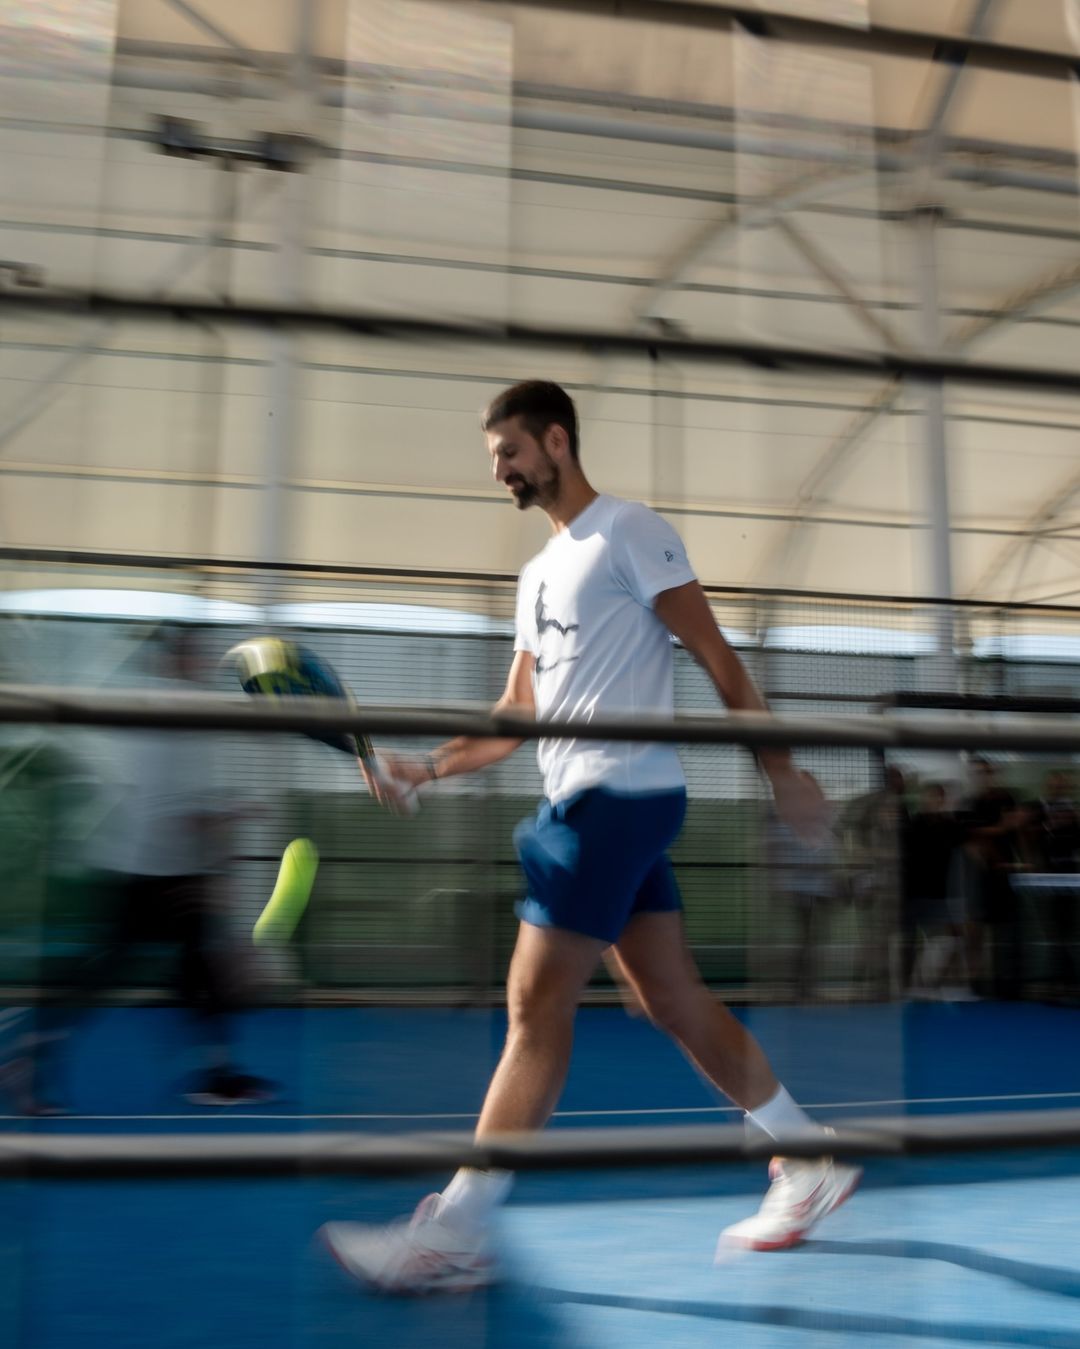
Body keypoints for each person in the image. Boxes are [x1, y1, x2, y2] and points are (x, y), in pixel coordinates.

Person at [320, 381, 860, 1293]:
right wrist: (426, 765)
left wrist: (781, 773)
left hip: (616, 801)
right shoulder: (537, 574)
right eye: (495, 458)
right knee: (671, 1000)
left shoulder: (630, 531)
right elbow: (516, 714)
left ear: (556, 441)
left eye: (509, 454)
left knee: (534, 1011)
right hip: (595, 804)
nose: (501, 472)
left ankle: (454, 1231)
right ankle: (808, 1157)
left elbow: (720, 656)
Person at [6, 628, 276, 1111]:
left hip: (134, 864)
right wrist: (225, 852)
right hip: (162, 873)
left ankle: (215, 1074)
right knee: (158, 970)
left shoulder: (147, 704)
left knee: (172, 969)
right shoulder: (188, 708)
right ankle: (213, 1075)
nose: (204, 661)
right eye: (196, 652)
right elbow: (188, 812)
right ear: (178, 659)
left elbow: (159, 796)